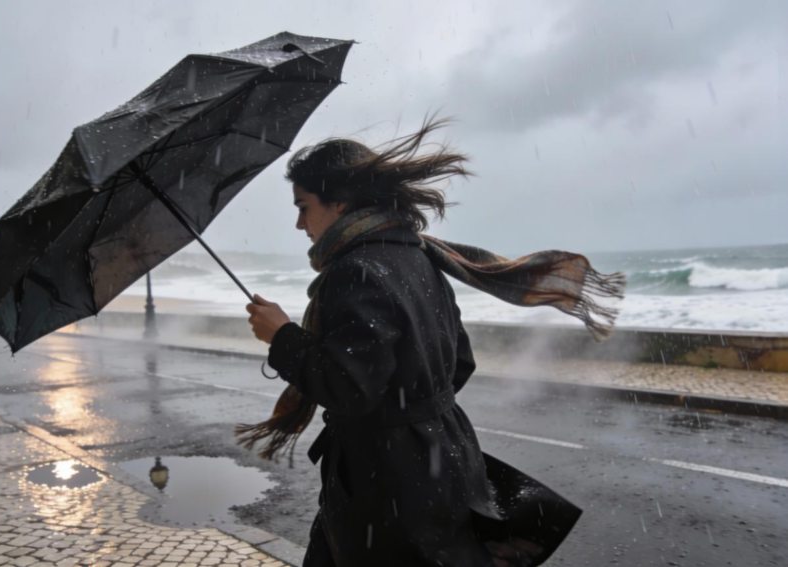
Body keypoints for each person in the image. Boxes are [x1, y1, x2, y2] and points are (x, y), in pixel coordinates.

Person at [242, 115, 624, 567]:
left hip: (385, 481)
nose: (299, 223)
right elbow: (460, 361)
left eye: (303, 206)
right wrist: (416, 416)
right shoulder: (417, 254)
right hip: (442, 460)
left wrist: (283, 336)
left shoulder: (355, 270)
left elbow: (350, 389)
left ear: (339, 203)